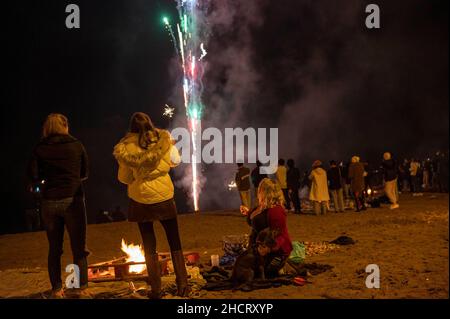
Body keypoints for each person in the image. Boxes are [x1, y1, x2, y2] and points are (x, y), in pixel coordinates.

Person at [113, 112, 189, 298]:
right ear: (150, 124)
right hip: (164, 197)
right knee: (174, 240)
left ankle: (156, 288)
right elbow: (176, 160)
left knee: (149, 244)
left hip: (141, 200)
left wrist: (137, 175)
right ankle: (183, 285)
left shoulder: (126, 148)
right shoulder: (163, 140)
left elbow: (124, 177)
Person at [27, 113, 90, 299]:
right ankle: (79, 286)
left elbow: (33, 176)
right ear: (65, 126)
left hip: (50, 202)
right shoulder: (77, 145)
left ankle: (56, 289)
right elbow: (85, 172)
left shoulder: (40, 148)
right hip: (73, 200)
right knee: (78, 247)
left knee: (55, 248)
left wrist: (45, 182)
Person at [241, 178, 293, 278]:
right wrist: (248, 212)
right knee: (245, 269)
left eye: (260, 189)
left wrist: (268, 249)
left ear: (264, 191)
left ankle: (283, 266)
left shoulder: (276, 211)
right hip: (258, 247)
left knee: (262, 274)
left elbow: (280, 235)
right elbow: (257, 221)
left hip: (274, 251)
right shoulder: (261, 206)